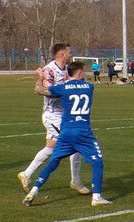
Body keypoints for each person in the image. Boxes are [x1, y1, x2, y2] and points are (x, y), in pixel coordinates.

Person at [24, 62, 111, 207]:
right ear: (78, 73)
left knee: (53, 162)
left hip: (65, 132)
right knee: (97, 161)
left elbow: (39, 90)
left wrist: (41, 77)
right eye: (83, 72)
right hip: (83, 132)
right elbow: (80, 84)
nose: (85, 74)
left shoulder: (62, 88)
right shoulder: (89, 87)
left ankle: (33, 191)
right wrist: (70, 77)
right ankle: (97, 197)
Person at [17, 43, 88, 195]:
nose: (71, 54)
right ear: (62, 54)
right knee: (75, 142)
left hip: (65, 114)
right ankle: (75, 181)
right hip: (53, 114)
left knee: (50, 148)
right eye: (69, 52)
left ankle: (26, 174)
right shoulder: (49, 70)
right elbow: (46, 90)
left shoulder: (68, 71)